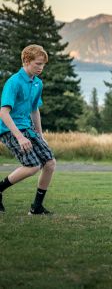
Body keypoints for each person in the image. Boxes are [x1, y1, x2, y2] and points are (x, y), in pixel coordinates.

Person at [0, 44, 56, 215]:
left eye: (43, 64)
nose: (41, 68)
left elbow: (34, 110)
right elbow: (3, 112)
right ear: (26, 61)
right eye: (38, 64)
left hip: (29, 129)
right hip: (10, 129)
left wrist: (40, 134)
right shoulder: (14, 82)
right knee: (32, 166)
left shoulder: (37, 83)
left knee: (50, 163)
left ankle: (36, 207)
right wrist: (19, 137)